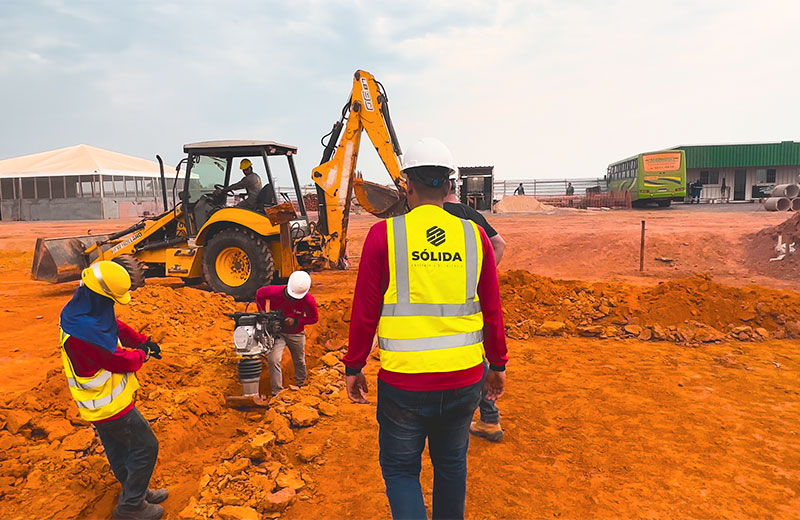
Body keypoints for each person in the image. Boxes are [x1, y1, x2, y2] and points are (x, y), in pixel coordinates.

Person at [343, 137, 508, 520]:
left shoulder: (383, 235)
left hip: (405, 385)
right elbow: (492, 310)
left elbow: (365, 312)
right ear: (450, 187)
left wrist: (354, 367)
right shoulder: (475, 237)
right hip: (464, 379)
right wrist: (497, 365)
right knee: (451, 466)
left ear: (408, 186)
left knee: (401, 471)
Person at [59, 261, 166, 520]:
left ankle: (135, 492)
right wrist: (143, 354)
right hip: (109, 407)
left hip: (99, 406)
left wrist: (142, 341)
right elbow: (120, 361)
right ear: (101, 296)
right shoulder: (84, 334)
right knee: (146, 447)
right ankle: (131, 507)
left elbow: (114, 325)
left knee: (120, 450)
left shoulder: (83, 312)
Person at [443, 179, 506, 442]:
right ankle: (488, 418)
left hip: (434, 302)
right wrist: (481, 278)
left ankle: (481, 418)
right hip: (469, 299)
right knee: (472, 353)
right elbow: (499, 244)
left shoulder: (422, 217)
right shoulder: (471, 215)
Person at [255, 270, 318, 396]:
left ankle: (302, 386)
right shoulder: (275, 292)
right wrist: (263, 314)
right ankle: (277, 392)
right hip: (278, 332)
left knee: (299, 360)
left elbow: (314, 318)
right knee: (273, 359)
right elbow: (259, 294)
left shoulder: (308, 300)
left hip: (296, 333)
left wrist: (296, 321)